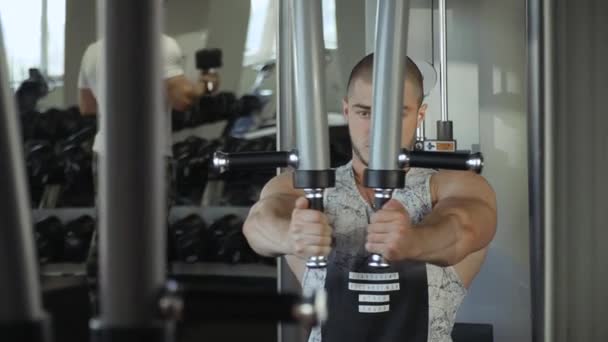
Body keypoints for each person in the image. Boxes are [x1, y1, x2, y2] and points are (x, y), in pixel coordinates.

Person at [242, 53, 497, 342]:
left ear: (419, 115)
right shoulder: (307, 188)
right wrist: (290, 235)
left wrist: (414, 241)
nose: (378, 130)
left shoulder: (451, 186)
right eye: (365, 113)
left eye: (395, 114)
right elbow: (259, 222)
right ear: (347, 112)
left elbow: (463, 228)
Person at [78, 34, 202, 204]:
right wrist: (205, 86)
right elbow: (183, 100)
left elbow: (87, 107)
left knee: (109, 226)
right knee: (151, 228)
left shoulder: (92, 51)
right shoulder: (162, 45)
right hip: (148, 155)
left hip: (105, 153)